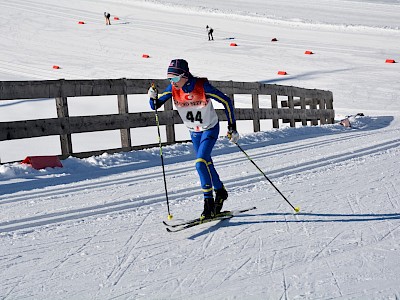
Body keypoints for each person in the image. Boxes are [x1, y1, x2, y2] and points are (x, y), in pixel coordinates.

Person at [148, 59, 239, 220]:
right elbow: (155, 105)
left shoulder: (202, 86)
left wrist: (232, 127)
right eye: (169, 78)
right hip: (194, 132)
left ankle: (208, 203)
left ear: (185, 76)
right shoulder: (173, 89)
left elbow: (226, 101)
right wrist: (152, 97)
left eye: (175, 78)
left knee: (200, 163)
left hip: (209, 129)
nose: (172, 82)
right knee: (206, 163)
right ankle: (220, 191)